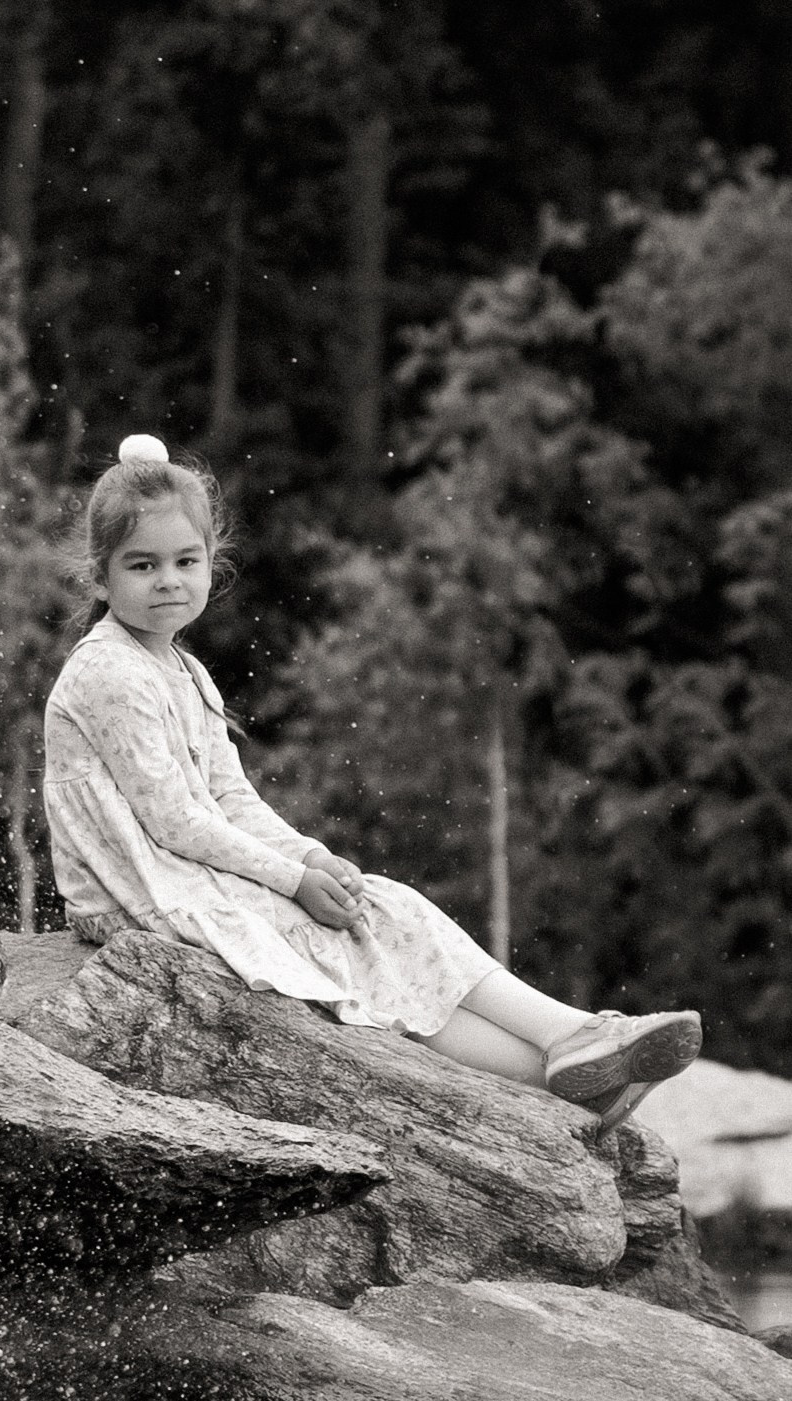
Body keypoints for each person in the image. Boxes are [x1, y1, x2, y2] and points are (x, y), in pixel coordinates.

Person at [40, 433, 701, 1120]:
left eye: (185, 560)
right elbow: (173, 818)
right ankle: (563, 1055)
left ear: (213, 564)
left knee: (383, 908)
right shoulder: (108, 671)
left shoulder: (181, 668)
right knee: (344, 940)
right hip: (135, 888)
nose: (168, 580)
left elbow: (230, 796)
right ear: (99, 576)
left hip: (177, 869)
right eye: (142, 565)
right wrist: (292, 881)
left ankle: (569, 1048)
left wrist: (309, 856)